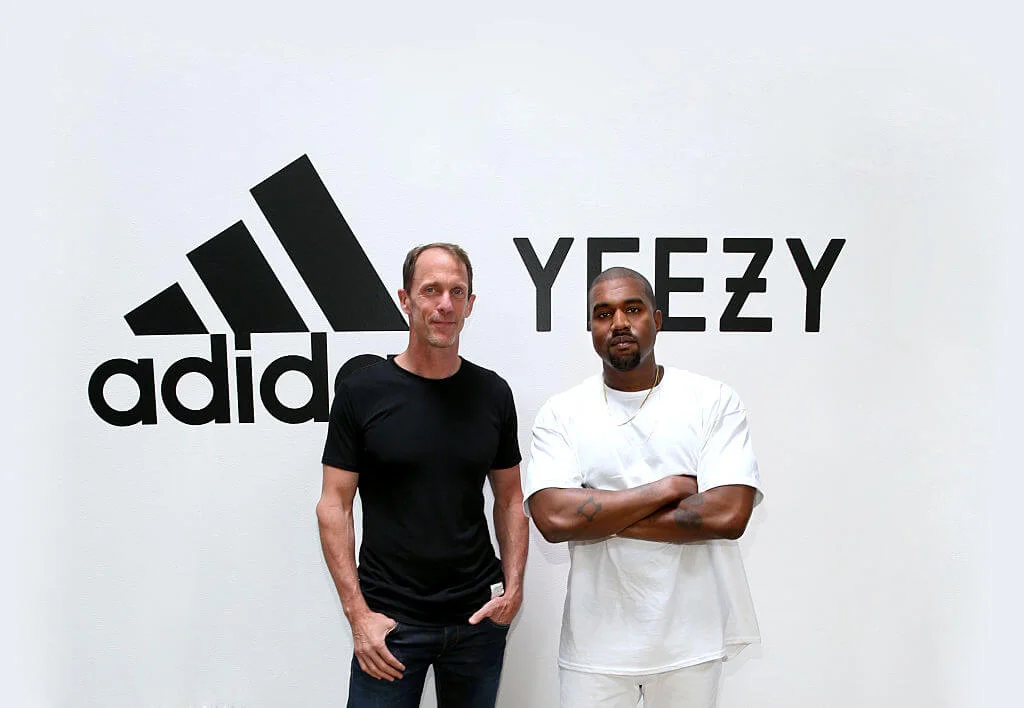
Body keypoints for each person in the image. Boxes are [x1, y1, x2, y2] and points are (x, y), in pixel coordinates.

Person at [523, 266, 763, 708]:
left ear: (657, 318)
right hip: (594, 650)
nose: (618, 323)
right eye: (603, 313)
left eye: (632, 309)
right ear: (591, 327)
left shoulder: (712, 400)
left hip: (689, 646)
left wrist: (594, 517)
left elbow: (729, 514)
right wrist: (669, 488)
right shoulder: (562, 413)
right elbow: (554, 519)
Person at [317, 243, 529, 708]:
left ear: (471, 304)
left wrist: (513, 590)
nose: (445, 305)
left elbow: (511, 499)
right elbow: (333, 504)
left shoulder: (492, 392)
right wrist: (358, 616)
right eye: (431, 291)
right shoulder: (361, 392)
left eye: (457, 292)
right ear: (405, 299)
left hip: (476, 620)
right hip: (389, 625)